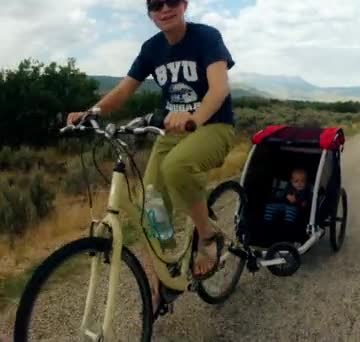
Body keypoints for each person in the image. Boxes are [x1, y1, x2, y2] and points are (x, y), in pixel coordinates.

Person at [66, 0, 235, 312]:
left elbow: (219, 88)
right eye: (156, 5)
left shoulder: (206, 37)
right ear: (150, 13)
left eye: (172, 2)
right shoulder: (151, 49)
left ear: (184, 5)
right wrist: (91, 112)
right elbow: (124, 90)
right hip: (173, 132)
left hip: (214, 126)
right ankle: (168, 268)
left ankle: (208, 235)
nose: (164, 9)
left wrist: (194, 117)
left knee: (176, 167)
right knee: (152, 201)